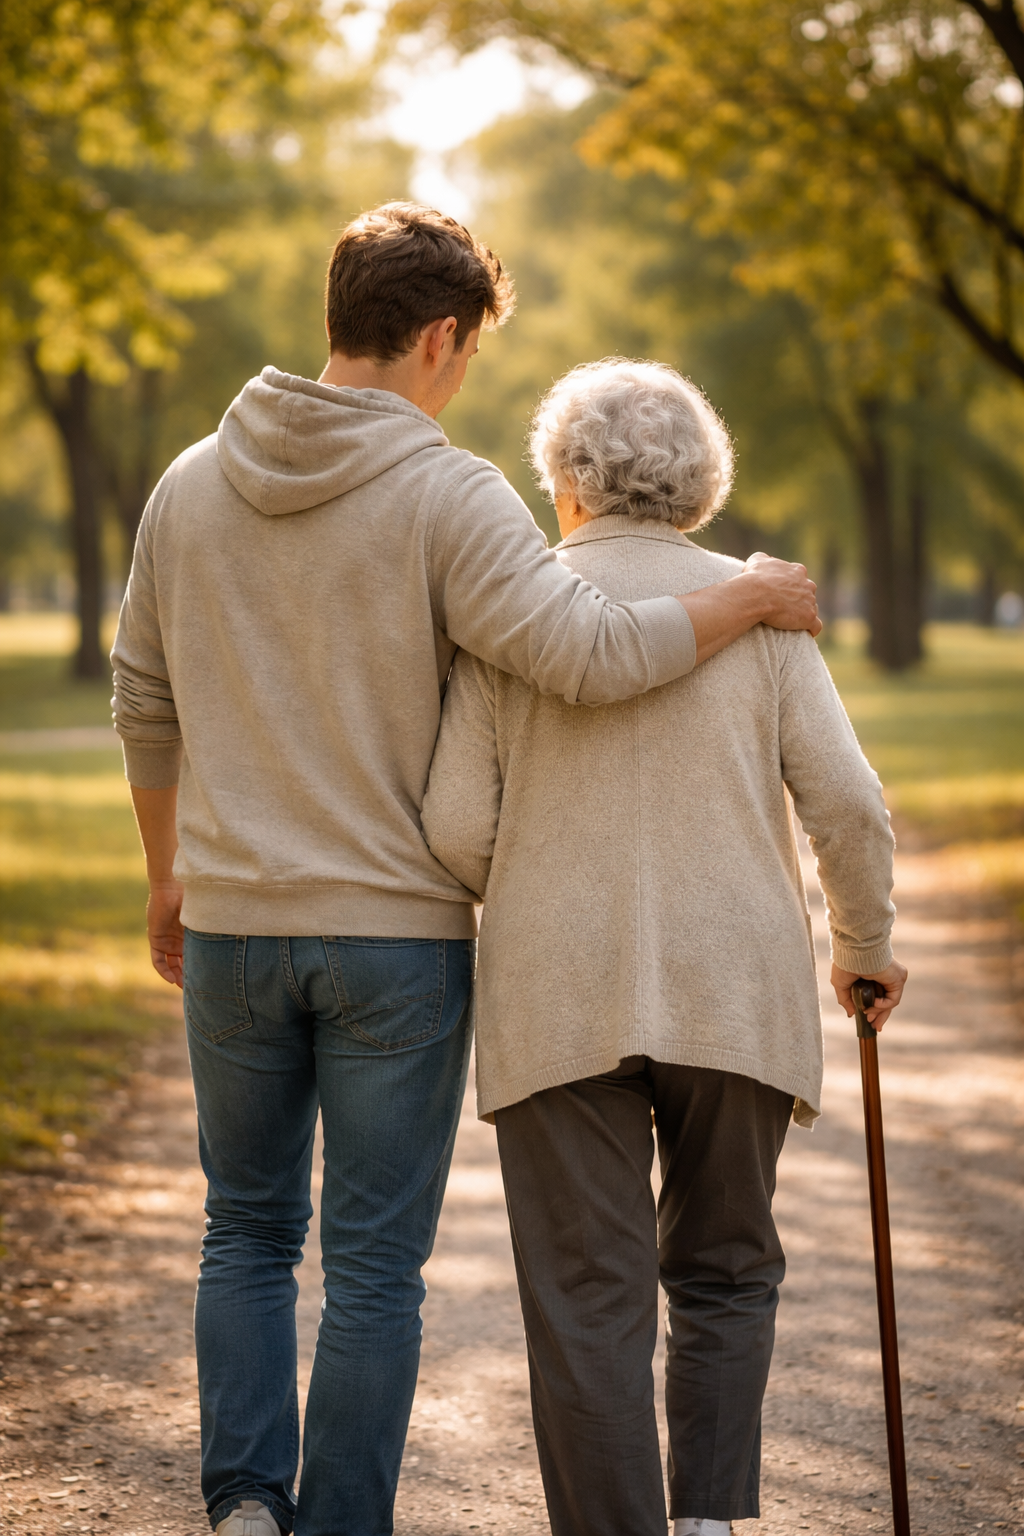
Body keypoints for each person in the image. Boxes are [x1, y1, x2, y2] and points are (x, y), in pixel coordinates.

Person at [112, 205, 820, 1536]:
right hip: (394, 939)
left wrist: (168, 872)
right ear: (441, 334)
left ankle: (244, 1507)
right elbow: (588, 655)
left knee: (246, 1232)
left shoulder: (189, 483)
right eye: (470, 351)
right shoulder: (449, 490)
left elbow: (142, 695)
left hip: (234, 926)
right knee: (375, 1270)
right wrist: (747, 597)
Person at [421, 357, 907, 1536]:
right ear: (696, 484)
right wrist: (864, 943)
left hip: (558, 992)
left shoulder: (516, 614)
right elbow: (846, 803)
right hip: (733, 987)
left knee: (587, 1299)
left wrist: (542, 882)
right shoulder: (763, 611)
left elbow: (454, 828)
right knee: (727, 1269)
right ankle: (706, 1525)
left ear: (565, 481)